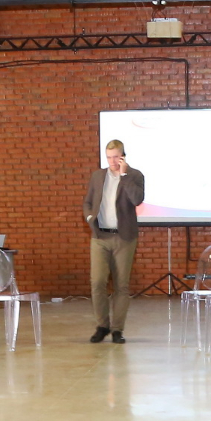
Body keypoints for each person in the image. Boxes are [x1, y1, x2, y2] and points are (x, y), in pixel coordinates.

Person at [82, 139, 145, 343]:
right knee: (97, 282)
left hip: (124, 238)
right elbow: (88, 201)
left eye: (116, 157)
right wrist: (89, 217)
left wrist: (124, 176)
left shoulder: (135, 175)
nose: (112, 161)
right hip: (100, 237)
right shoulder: (97, 176)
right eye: (109, 157)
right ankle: (102, 326)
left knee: (121, 285)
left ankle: (117, 329)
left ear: (123, 156)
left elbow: (137, 199)